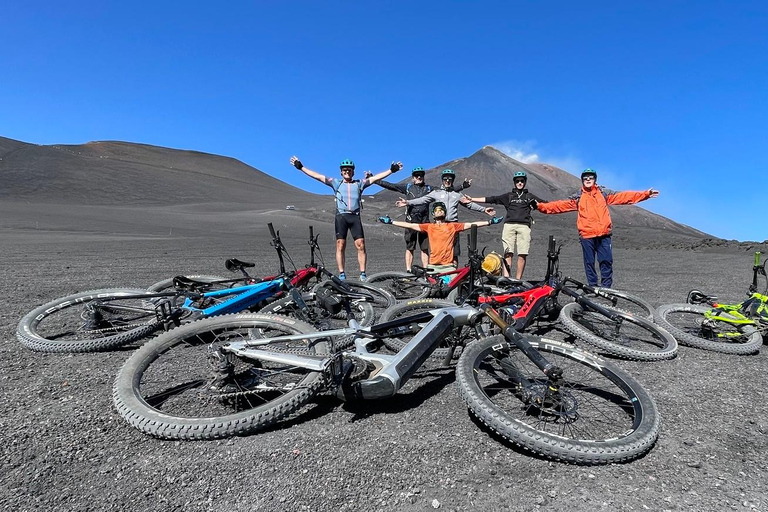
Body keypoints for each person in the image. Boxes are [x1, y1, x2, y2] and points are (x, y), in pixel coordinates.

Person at [535, 168, 660, 287]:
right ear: (582, 181)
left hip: (604, 234)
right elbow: (559, 206)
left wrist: (645, 194)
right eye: (585, 178)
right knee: (589, 263)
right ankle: (592, 287)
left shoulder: (603, 194)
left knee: (606, 261)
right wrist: (540, 206)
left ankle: (606, 288)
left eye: (590, 177)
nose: (588, 180)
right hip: (587, 235)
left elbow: (624, 197)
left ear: (595, 180)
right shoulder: (578, 197)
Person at [290, 155, 402, 281]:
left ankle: (363, 274)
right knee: (340, 245)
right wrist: (301, 167)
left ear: (353, 171)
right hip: (341, 217)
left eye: (349, 170)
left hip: (355, 217)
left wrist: (391, 170)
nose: (347, 172)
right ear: (341, 172)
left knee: (361, 245)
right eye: (344, 170)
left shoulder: (360, 183)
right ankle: (342, 273)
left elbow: (376, 177)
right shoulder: (336, 183)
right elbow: (317, 176)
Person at [374, 167, 473, 271]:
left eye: (421, 175)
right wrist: (375, 181)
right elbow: (391, 186)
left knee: (424, 248)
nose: (419, 177)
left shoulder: (429, 188)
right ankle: (408, 270)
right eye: (417, 175)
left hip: (424, 222)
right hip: (411, 221)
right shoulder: (407, 187)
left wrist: (462, 186)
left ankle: (426, 270)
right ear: (413, 178)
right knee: (410, 248)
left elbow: (446, 190)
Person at [396, 168, 495, 266]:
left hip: (453, 226)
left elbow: (469, 204)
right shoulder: (436, 193)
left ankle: (454, 275)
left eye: (450, 179)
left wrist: (484, 209)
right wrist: (408, 202)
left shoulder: (457, 195)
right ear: (442, 180)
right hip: (439, 226)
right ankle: (438, 276)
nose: (447, 181)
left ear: (452, 180)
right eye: (445, 179)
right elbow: (422, 200)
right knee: (438, 250)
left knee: (454, 253)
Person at [378, 202, 502, 272]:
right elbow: (410, 225)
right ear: (433, 213)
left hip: (448, 266)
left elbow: (471, 224)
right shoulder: (429, 227)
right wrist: (391, 222)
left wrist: (490, 222)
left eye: (441, 209)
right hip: (433, 266)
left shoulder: (453, 226)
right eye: (436, 210)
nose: (439, 211)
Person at [465, 170, 542, 279]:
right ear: (514, 182)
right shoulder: (509, 196)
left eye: (522, 181)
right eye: (517, 181)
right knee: (508, 253)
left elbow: (545, 204)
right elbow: (492, 199)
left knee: (522, 254)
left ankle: (518, 280)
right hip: (509, 226)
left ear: (525, 182)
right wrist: (472, 199)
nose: (520, 183)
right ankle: (507, 279)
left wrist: (540, 205)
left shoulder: (529, 196)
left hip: (524, 226)